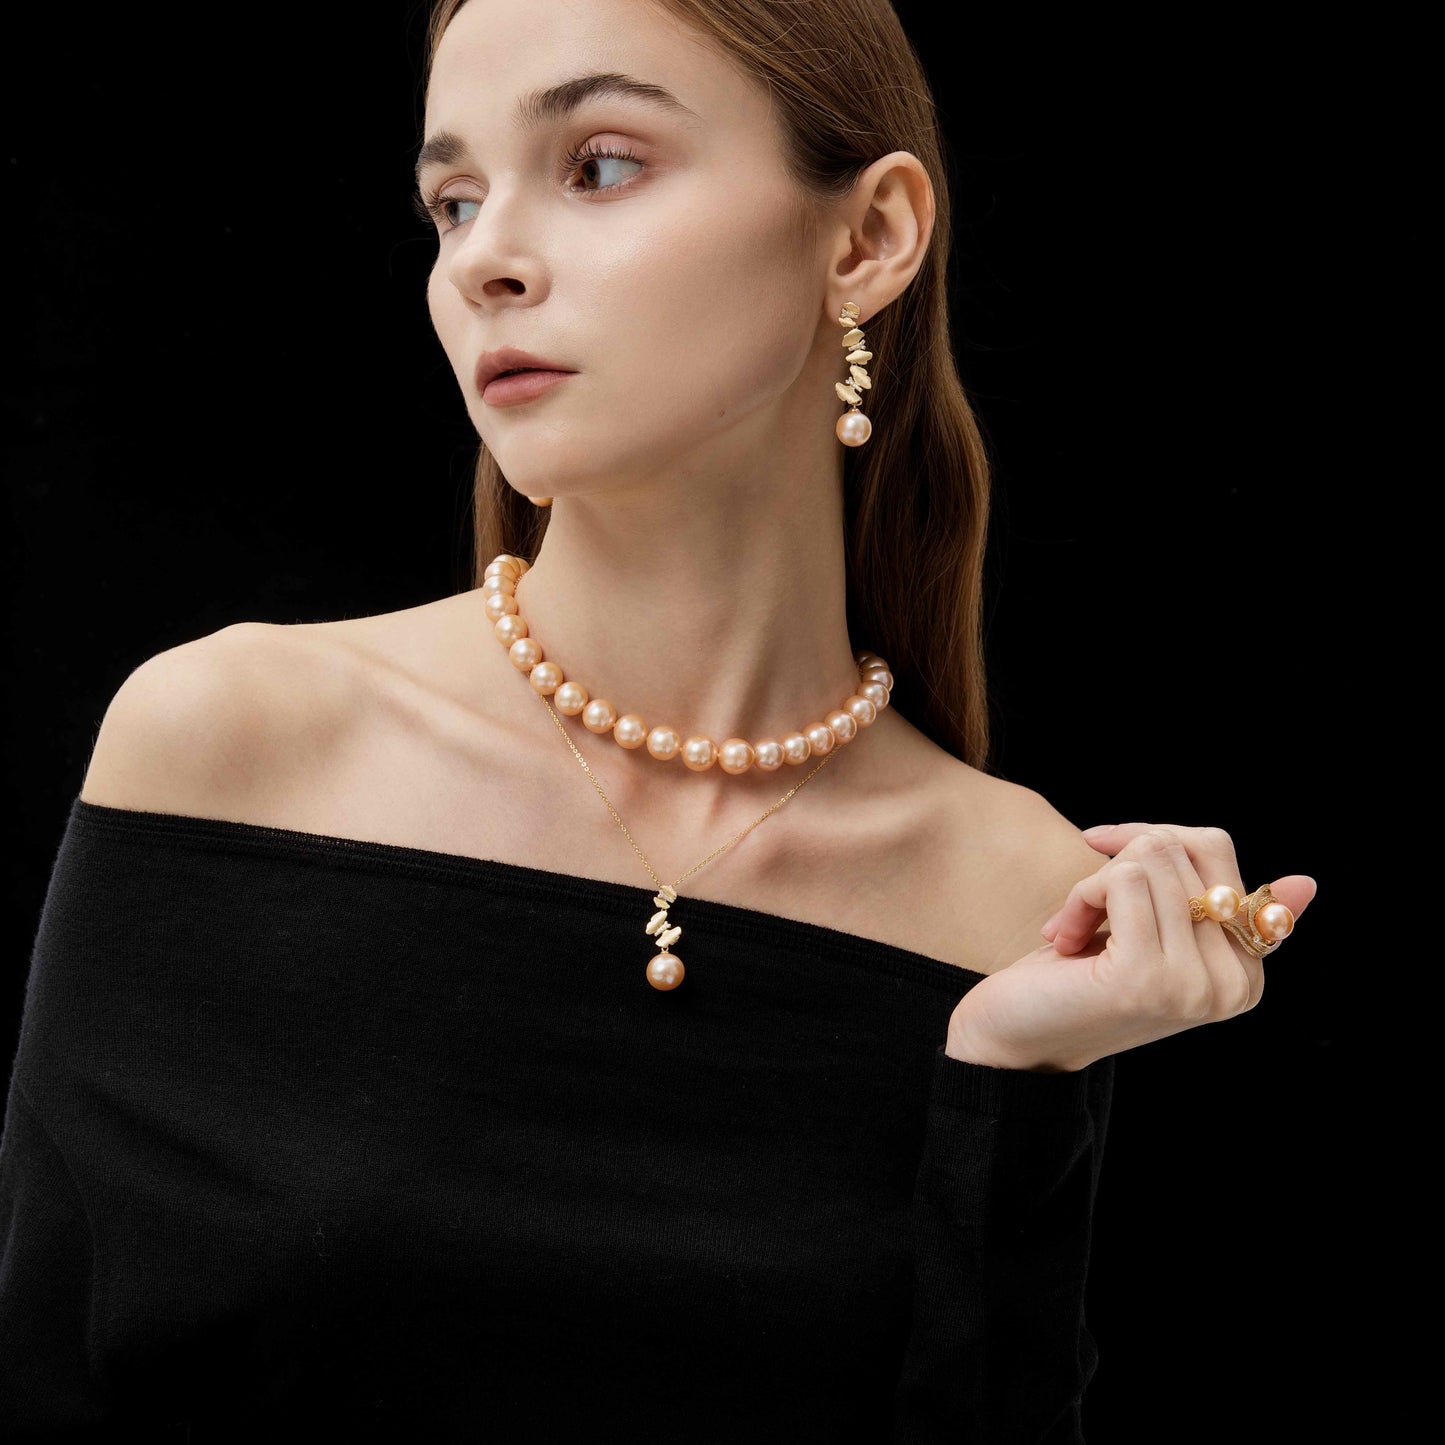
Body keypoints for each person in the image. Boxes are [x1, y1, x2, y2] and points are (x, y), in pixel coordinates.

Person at [0, 0, 1316, 1438]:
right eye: (452, 199)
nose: (484, 258)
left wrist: (1006, 1079)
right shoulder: (236, 744)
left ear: (865, 238)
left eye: (600, 163)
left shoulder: (1020, 900)